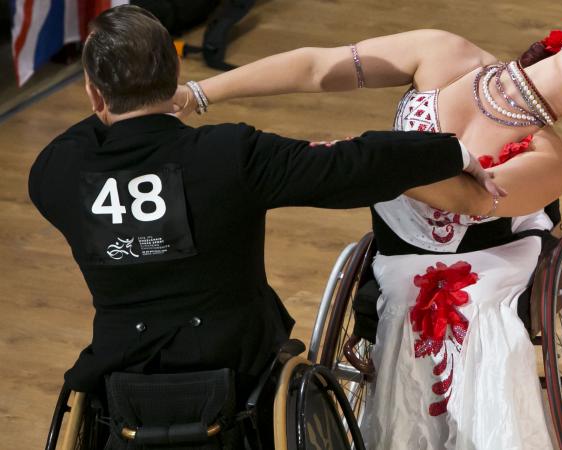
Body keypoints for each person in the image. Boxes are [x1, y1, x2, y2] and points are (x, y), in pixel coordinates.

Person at [173, 26, 562, 449]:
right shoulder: (444, 53)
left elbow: (469, 200)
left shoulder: (551, 159)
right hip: (398, 246)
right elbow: (318, 67)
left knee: (471, 329)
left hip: (478, 266)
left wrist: (361, 161)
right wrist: (199, 93)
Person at [27, 4, 500, 434]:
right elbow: (352, 165)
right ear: (173, 75)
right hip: (238, 367)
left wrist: (119, 103)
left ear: (93, 93)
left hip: (121, 377)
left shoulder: (56, 174)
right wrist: (448, 150)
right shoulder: (229, 156)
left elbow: (88, 134)